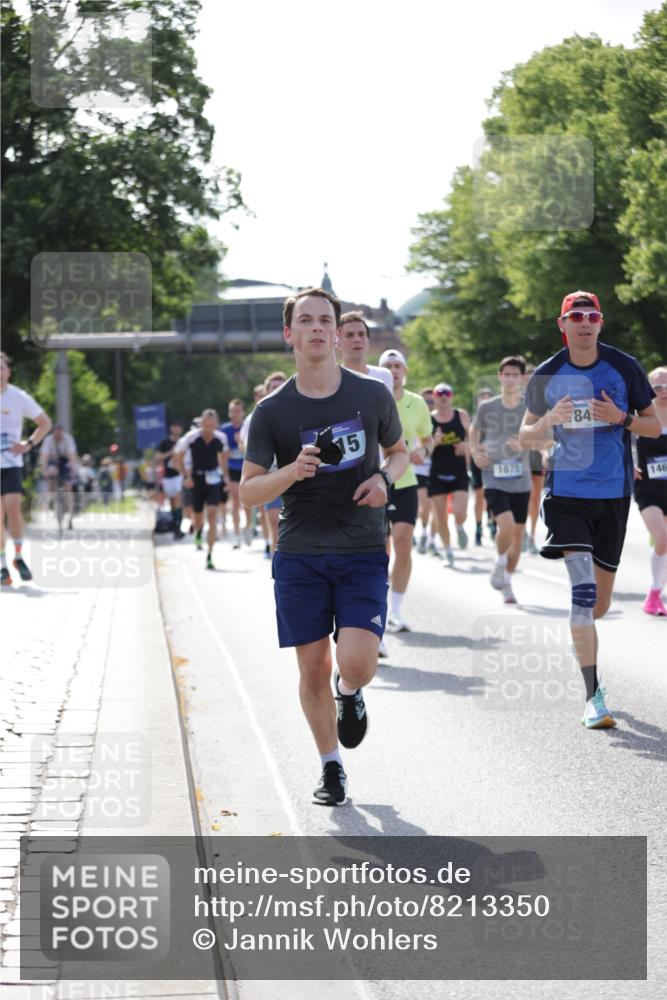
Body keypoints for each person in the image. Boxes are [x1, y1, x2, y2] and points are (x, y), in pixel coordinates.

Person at [240, 288, 407, 806]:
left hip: (360, 548)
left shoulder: (371, 395)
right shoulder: (272, 411)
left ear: (338, 332)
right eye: (305, 321)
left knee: (356, 663)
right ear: (289, 335)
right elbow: (248, 492)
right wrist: (290, 471)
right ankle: (330, 767)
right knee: (311, 668)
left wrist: (383, 478)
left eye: (325, 320)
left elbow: (399, 454)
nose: (317, 328)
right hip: (300, 554)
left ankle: (350, 692)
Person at [519, 290, 660, 729]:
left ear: (600, 324)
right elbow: (524, 437)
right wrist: (549, 420)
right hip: (566, 493)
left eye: (592, 316)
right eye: (575, 316)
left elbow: (655, 425)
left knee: (597, 604)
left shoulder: (624, 367)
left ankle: (584, 635)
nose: (584, 322)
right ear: (562, 324)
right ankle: (592, 696)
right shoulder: (547, 374)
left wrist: (620, 417)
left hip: (613, 495)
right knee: (582, 595)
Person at [379, 349, 433, 632]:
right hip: (375, 482)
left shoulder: (417, 403)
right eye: (387, 366)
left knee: (402, 542)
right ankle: (379, 606)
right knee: (381, 549)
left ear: (405, 371)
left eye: (397, 365)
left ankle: (396, 609)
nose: (393, 369)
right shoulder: (372, 397)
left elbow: (427, 438)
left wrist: (423, 450)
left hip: (406, 482)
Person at [471, 357, 532, 604]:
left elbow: (545, 437)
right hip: (494, 475)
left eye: (515, 375)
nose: (510, 379)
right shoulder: (488, 407)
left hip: (521, 478)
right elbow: (474, 431)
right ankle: (499, 560)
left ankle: (506, 580)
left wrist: (526, 442)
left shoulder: (530, 408)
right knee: (505, 527)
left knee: (517, 536)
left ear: (521, 378)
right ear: (499, 377)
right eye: (506, 374)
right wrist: (475, 452)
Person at [1, 352, 52, 584]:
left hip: (11, 463)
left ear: (8, 371)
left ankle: (18, 557)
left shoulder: (18, 397)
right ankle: (2, 564)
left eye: (1, 367)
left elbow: (45, 423)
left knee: (13, 508)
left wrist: (28, 444)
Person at [173, 409, 229, 570]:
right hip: (196, 479)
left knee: (212, 514)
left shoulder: (221, 439)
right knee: (198, 515)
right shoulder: (191, 438)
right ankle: (198, 531)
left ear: (216, 425)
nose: (208, 429)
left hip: (213, 479)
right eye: (205, 425)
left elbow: (224, 459)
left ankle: (210, 555)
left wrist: (225, 477)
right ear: (201, 423)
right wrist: (186, 477)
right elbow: (178, 458)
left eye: (212, 426)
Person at [633, 366, 667, 616]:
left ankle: (656, 593)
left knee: (664, 544)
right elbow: (619, 439)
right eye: (658, 387)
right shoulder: (641, 416)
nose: (664, 391)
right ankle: (654, 595)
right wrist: (627, 461)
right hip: (648, 489)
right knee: (663, 539)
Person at [428, 382, 470, 566]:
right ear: (434, 397)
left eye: (447, 393)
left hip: (459, 472)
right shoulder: (429, 419)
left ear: (451, 396)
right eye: (439, 393)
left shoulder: (461, 415)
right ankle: (447, 551)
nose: (444, 396)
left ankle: (460, 527)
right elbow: (422, 448)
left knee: (460, 512)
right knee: (440, 516)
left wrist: (467, 445)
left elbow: (475, 438)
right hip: (436, 473)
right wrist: (435, 442)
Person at [220, 399, 251, 548]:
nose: (235, 414)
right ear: (229, 413)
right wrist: (225, 475)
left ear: (243, 413)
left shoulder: (249, 425)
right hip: (232, 468)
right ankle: (237, 534)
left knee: (248, 502)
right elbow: (222, 455)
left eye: (238, 411)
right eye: (232, 411)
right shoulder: (224, 430)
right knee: (235, 502)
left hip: (247, 467)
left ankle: (248, 527)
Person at [338, 311, 394, 392]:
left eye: (361, 334)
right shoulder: (332, 379)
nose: (357, 340)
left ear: (368, 340)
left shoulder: (384, 376)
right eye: (350, 335)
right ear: (338, 342)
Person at [40, 424, 79, 530]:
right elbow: (44, 457)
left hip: (65, 462)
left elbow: (72, 456)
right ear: (53, 432)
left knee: (68, 488)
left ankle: (70, 516)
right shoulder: (48, 440)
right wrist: (45, 471)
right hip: (53, 462)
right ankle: (51, 500)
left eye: (60, 432)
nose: (58, 434)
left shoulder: (68, 439)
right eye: (56, 432)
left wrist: (72, 470)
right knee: (51, 478)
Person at [470, 387, 493, 545]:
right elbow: (470, 443)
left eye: (488, 398)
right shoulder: (474, 420)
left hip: (494, 460)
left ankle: (492, 523)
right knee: (479, 495)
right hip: (477, 460)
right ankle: (478, 528)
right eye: (482, 398)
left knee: (493, 494)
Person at [155, 420, 185, 540]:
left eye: (179, 426)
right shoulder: (164, 442)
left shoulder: (183, 441)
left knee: (178, 500)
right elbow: (158, 457)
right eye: (175, 426)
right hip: (168, 476)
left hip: (180, 474)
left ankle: (178, 527)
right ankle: (175, 526)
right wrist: (171, 453)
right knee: (172, 503)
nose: (177, 429)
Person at [416, 387, 436, 554]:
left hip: (436, 469)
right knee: (424, 506)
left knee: (435, 508)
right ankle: (423, 533)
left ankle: (432, 539)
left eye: (431, 401)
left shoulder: (439, 419)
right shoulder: (415, 417)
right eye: (426, 401)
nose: (429, 404)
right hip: (418, 470)